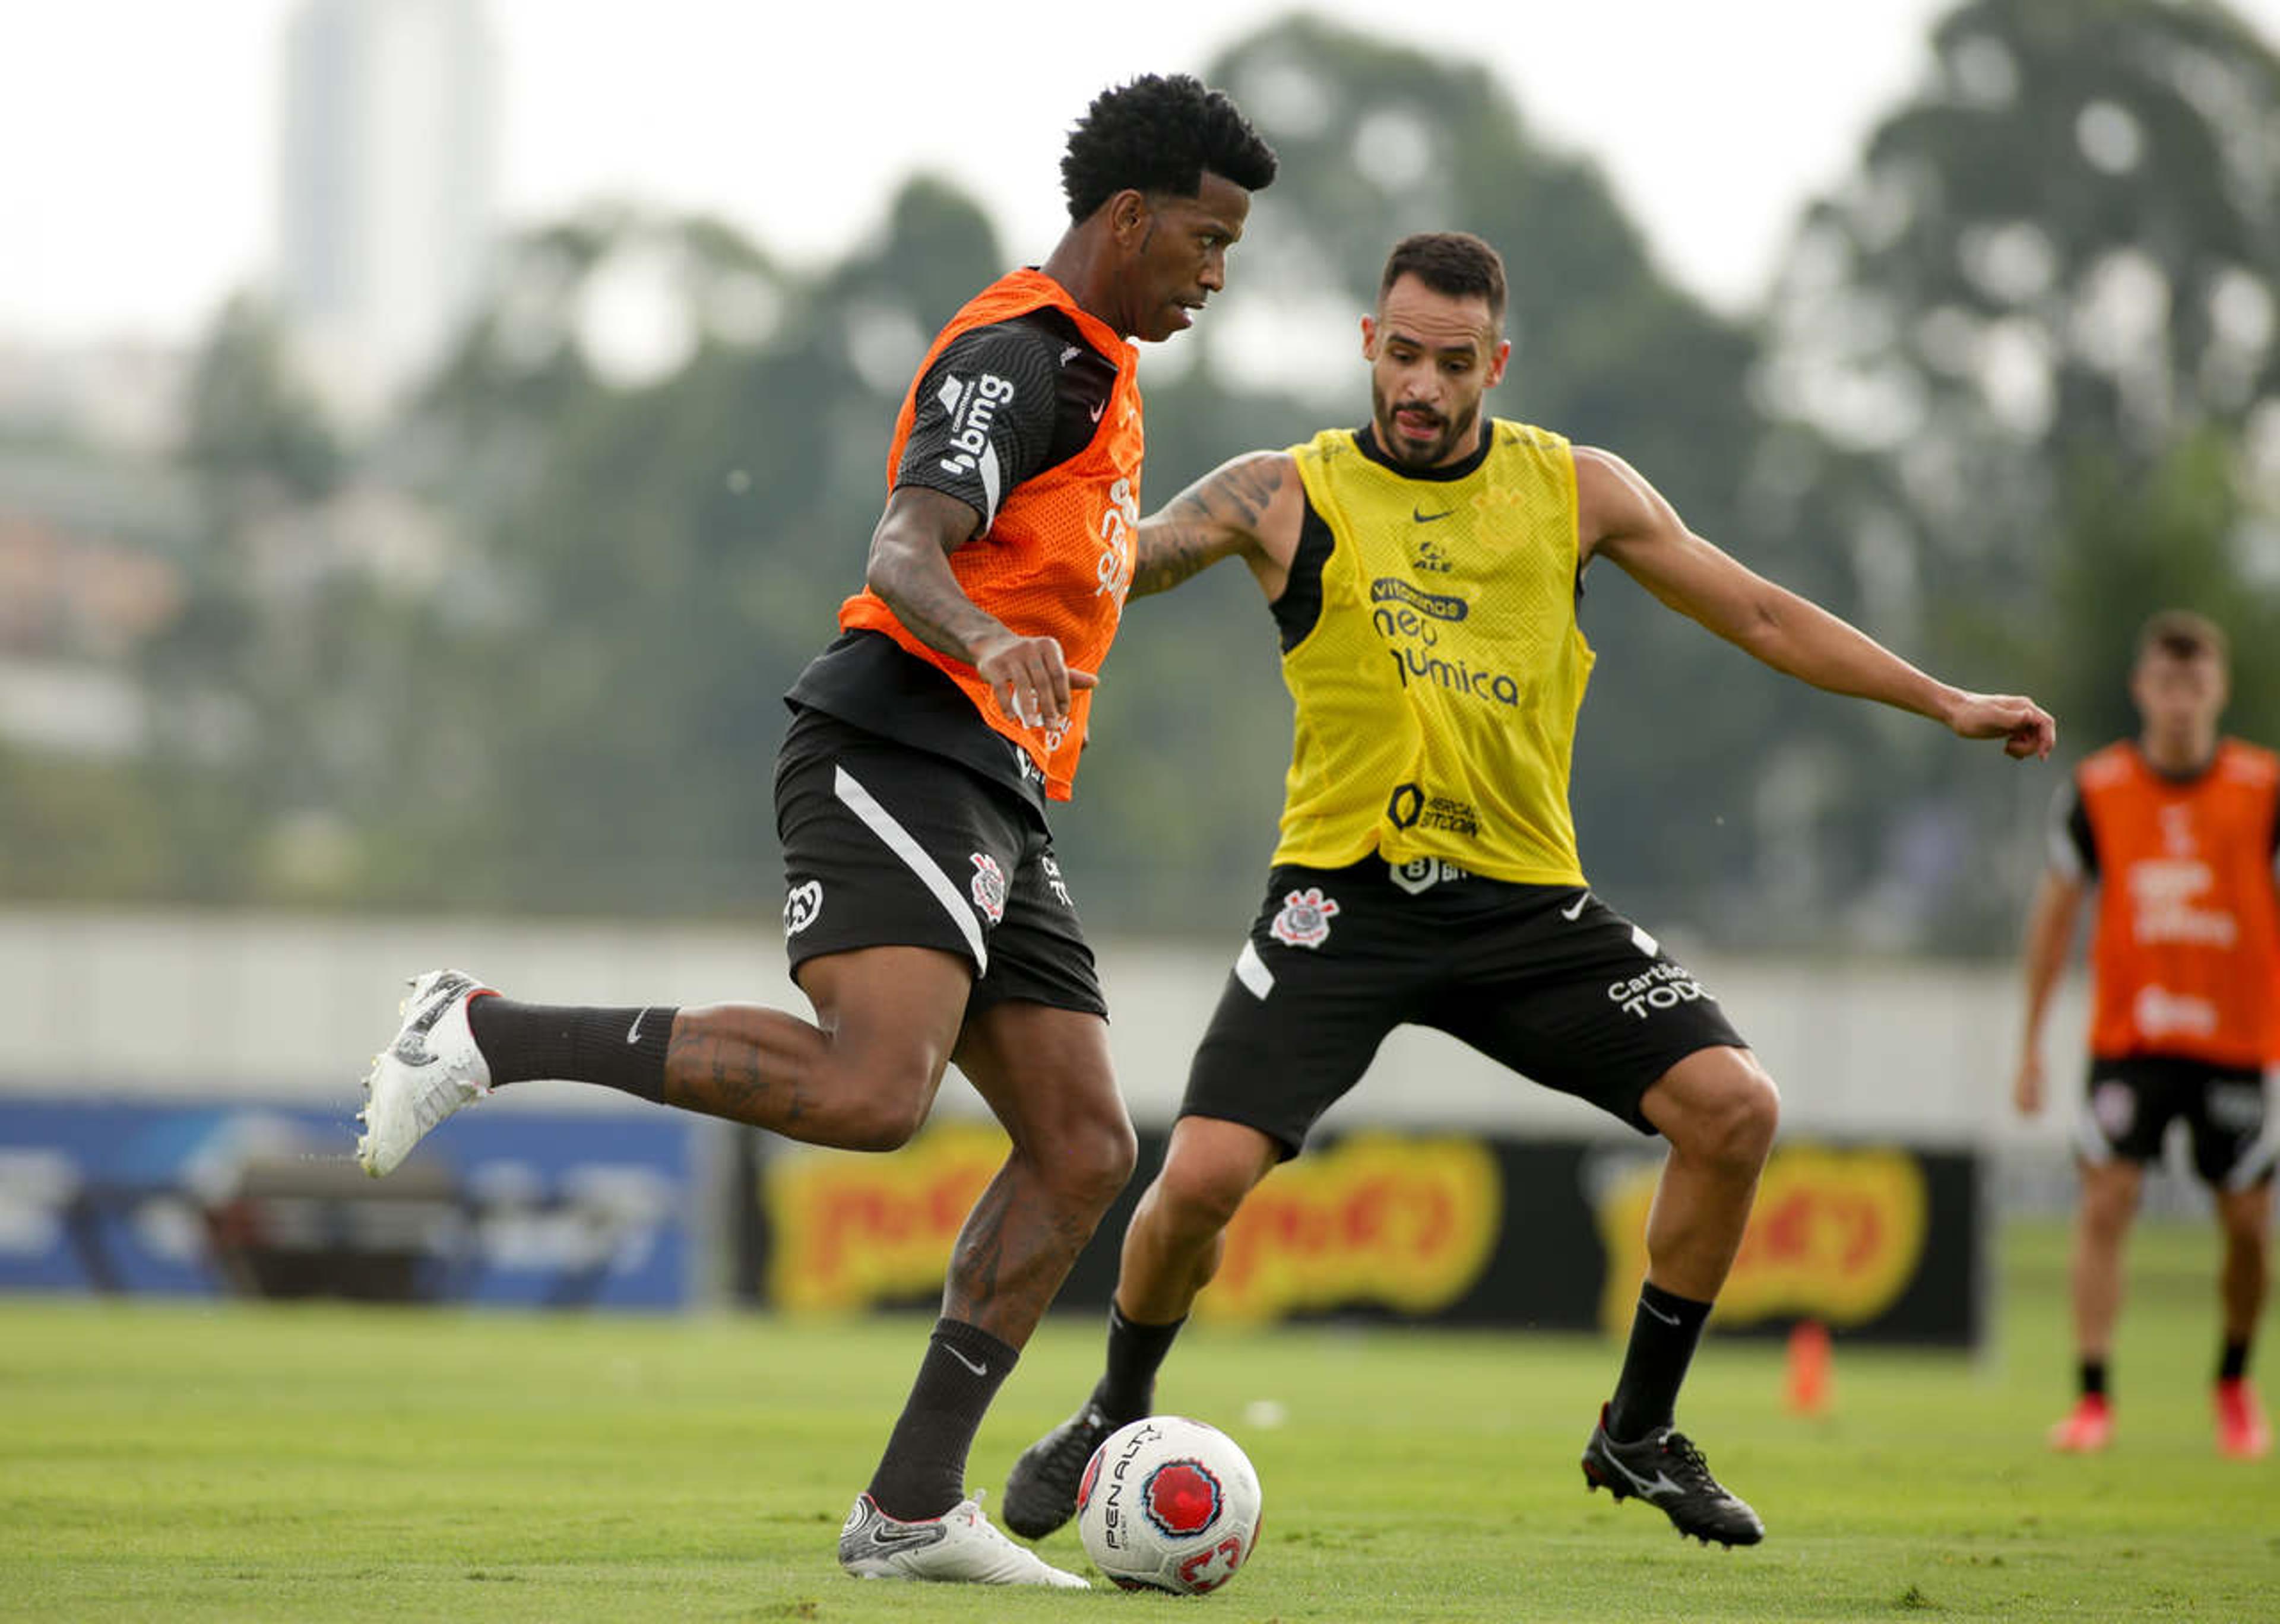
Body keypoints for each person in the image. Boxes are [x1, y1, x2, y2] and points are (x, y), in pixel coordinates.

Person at [353, 74, 1277, 1588]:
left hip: (995, 786)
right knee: (872, 1093)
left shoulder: (1103, 375)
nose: (1217, 274)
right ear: (1130, 216)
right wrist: (983, 647)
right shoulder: (1018, 349)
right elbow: (906, 549)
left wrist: (1211, 521)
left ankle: (911, 1510)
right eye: (1206, 238)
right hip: (897, 742)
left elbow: (1092, 573)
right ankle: (482, 1029)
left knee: (1083, 1145)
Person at [999, 230, 2056, 1550]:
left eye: (1454, 363)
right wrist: (998, 577)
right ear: (1366, 348)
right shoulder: (1281, 493)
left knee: (1734, 1110)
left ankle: (1640, 1430)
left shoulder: (1576, 490)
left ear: (1496, 363)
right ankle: (1114, 1408)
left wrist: (1942, 699)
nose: (1424, 389)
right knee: (1201, 1176)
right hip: (1344, 903)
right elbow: (1126, 562)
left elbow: (1765, 618)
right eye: (1402, 356)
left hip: (1524, 905)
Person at [2015, 610, 2276, 1460]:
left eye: (2195, 685)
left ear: (2219, 691)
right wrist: (2029, 1044)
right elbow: (2055, 921)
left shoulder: (2264, 791)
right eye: (2166, 684)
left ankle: (2233, 1381)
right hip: (2131, 1038)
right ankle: (2092, 1398)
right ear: (2142, 689)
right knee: (2106, 1202)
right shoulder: (2096, 792)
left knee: (2245, 1224)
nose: (2179, 703)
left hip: (2239, 1042)